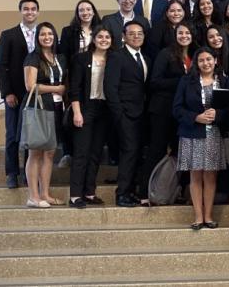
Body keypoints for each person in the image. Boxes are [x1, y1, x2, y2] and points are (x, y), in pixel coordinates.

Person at [173, 47, 229, 229]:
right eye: (201, 60)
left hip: (214, 134)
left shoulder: (224, 81)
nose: (206, 63)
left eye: (209, 59)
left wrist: (218, 115)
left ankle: (208, 216)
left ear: (215, 61)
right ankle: (198, 217)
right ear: (196, 64)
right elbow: (177, 109)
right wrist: (196, 117)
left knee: (211, 177)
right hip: (192, 133)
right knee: (195, 175)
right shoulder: (186, 81)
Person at [139, 22, 194, 205]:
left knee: (180, 153)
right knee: (156, 150)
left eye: (187, 32)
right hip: (162, 110)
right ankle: (144, 193)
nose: (184, 35)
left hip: (182, 113)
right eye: (180, 32)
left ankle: (174, 191)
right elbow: (154, 82)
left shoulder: (194, 56)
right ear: (174, 35)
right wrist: (182, 81)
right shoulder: (166, 54)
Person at [104, 20, 149, 207]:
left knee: (137, 153)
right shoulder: (117, 56)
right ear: (123, 36)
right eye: (132, 33)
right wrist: (119, 114)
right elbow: (110, 88)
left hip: (141, 114)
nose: (136, 36)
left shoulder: (145, 57)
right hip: (125, 114)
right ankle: (121, 193)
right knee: (129, 153)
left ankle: (131, 191)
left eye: (139, 33)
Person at [22, 22, 67, 208]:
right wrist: (56, 88)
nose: (47, 37)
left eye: (50, 33)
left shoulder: (59, 57)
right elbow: (30, 86)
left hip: (56, 108)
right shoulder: (33, 58)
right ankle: (33, 196)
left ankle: (45, 194)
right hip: (39, 108)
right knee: (35, 152)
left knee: (49, 153)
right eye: (42, 34)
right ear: (37, 37)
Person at [0, 0, 40, 188]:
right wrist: (7, 93)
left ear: (37, 12)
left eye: (33, 9)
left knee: (33, 136)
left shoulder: (44, 33)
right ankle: (12, 173)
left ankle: (28, 175)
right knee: (13, 134)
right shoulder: (8, 35)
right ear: (21, 11)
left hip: (38, 94)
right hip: (16, 94)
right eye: (26, 9)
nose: (30, 12)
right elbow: (1, 66)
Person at [68, 25, 113, 208]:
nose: (104, 40)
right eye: (100, 37)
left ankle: (89, 192)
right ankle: (75, 195)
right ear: (93, 39)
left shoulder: (114, 59)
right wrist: (77, 112)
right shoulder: (82, 58)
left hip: (104, 110)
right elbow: (75, 88)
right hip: (85, 108)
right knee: (81, 153)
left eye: (107, 37)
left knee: (95, 153)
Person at [59, 0, 102, 70]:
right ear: (77, 14)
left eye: (88, 9)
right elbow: (64, 55)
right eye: (81, 10)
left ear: (93, 12)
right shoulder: (68, 31)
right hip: (75, 69)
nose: (85, 13)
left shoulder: (101, 30)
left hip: (97, 68)